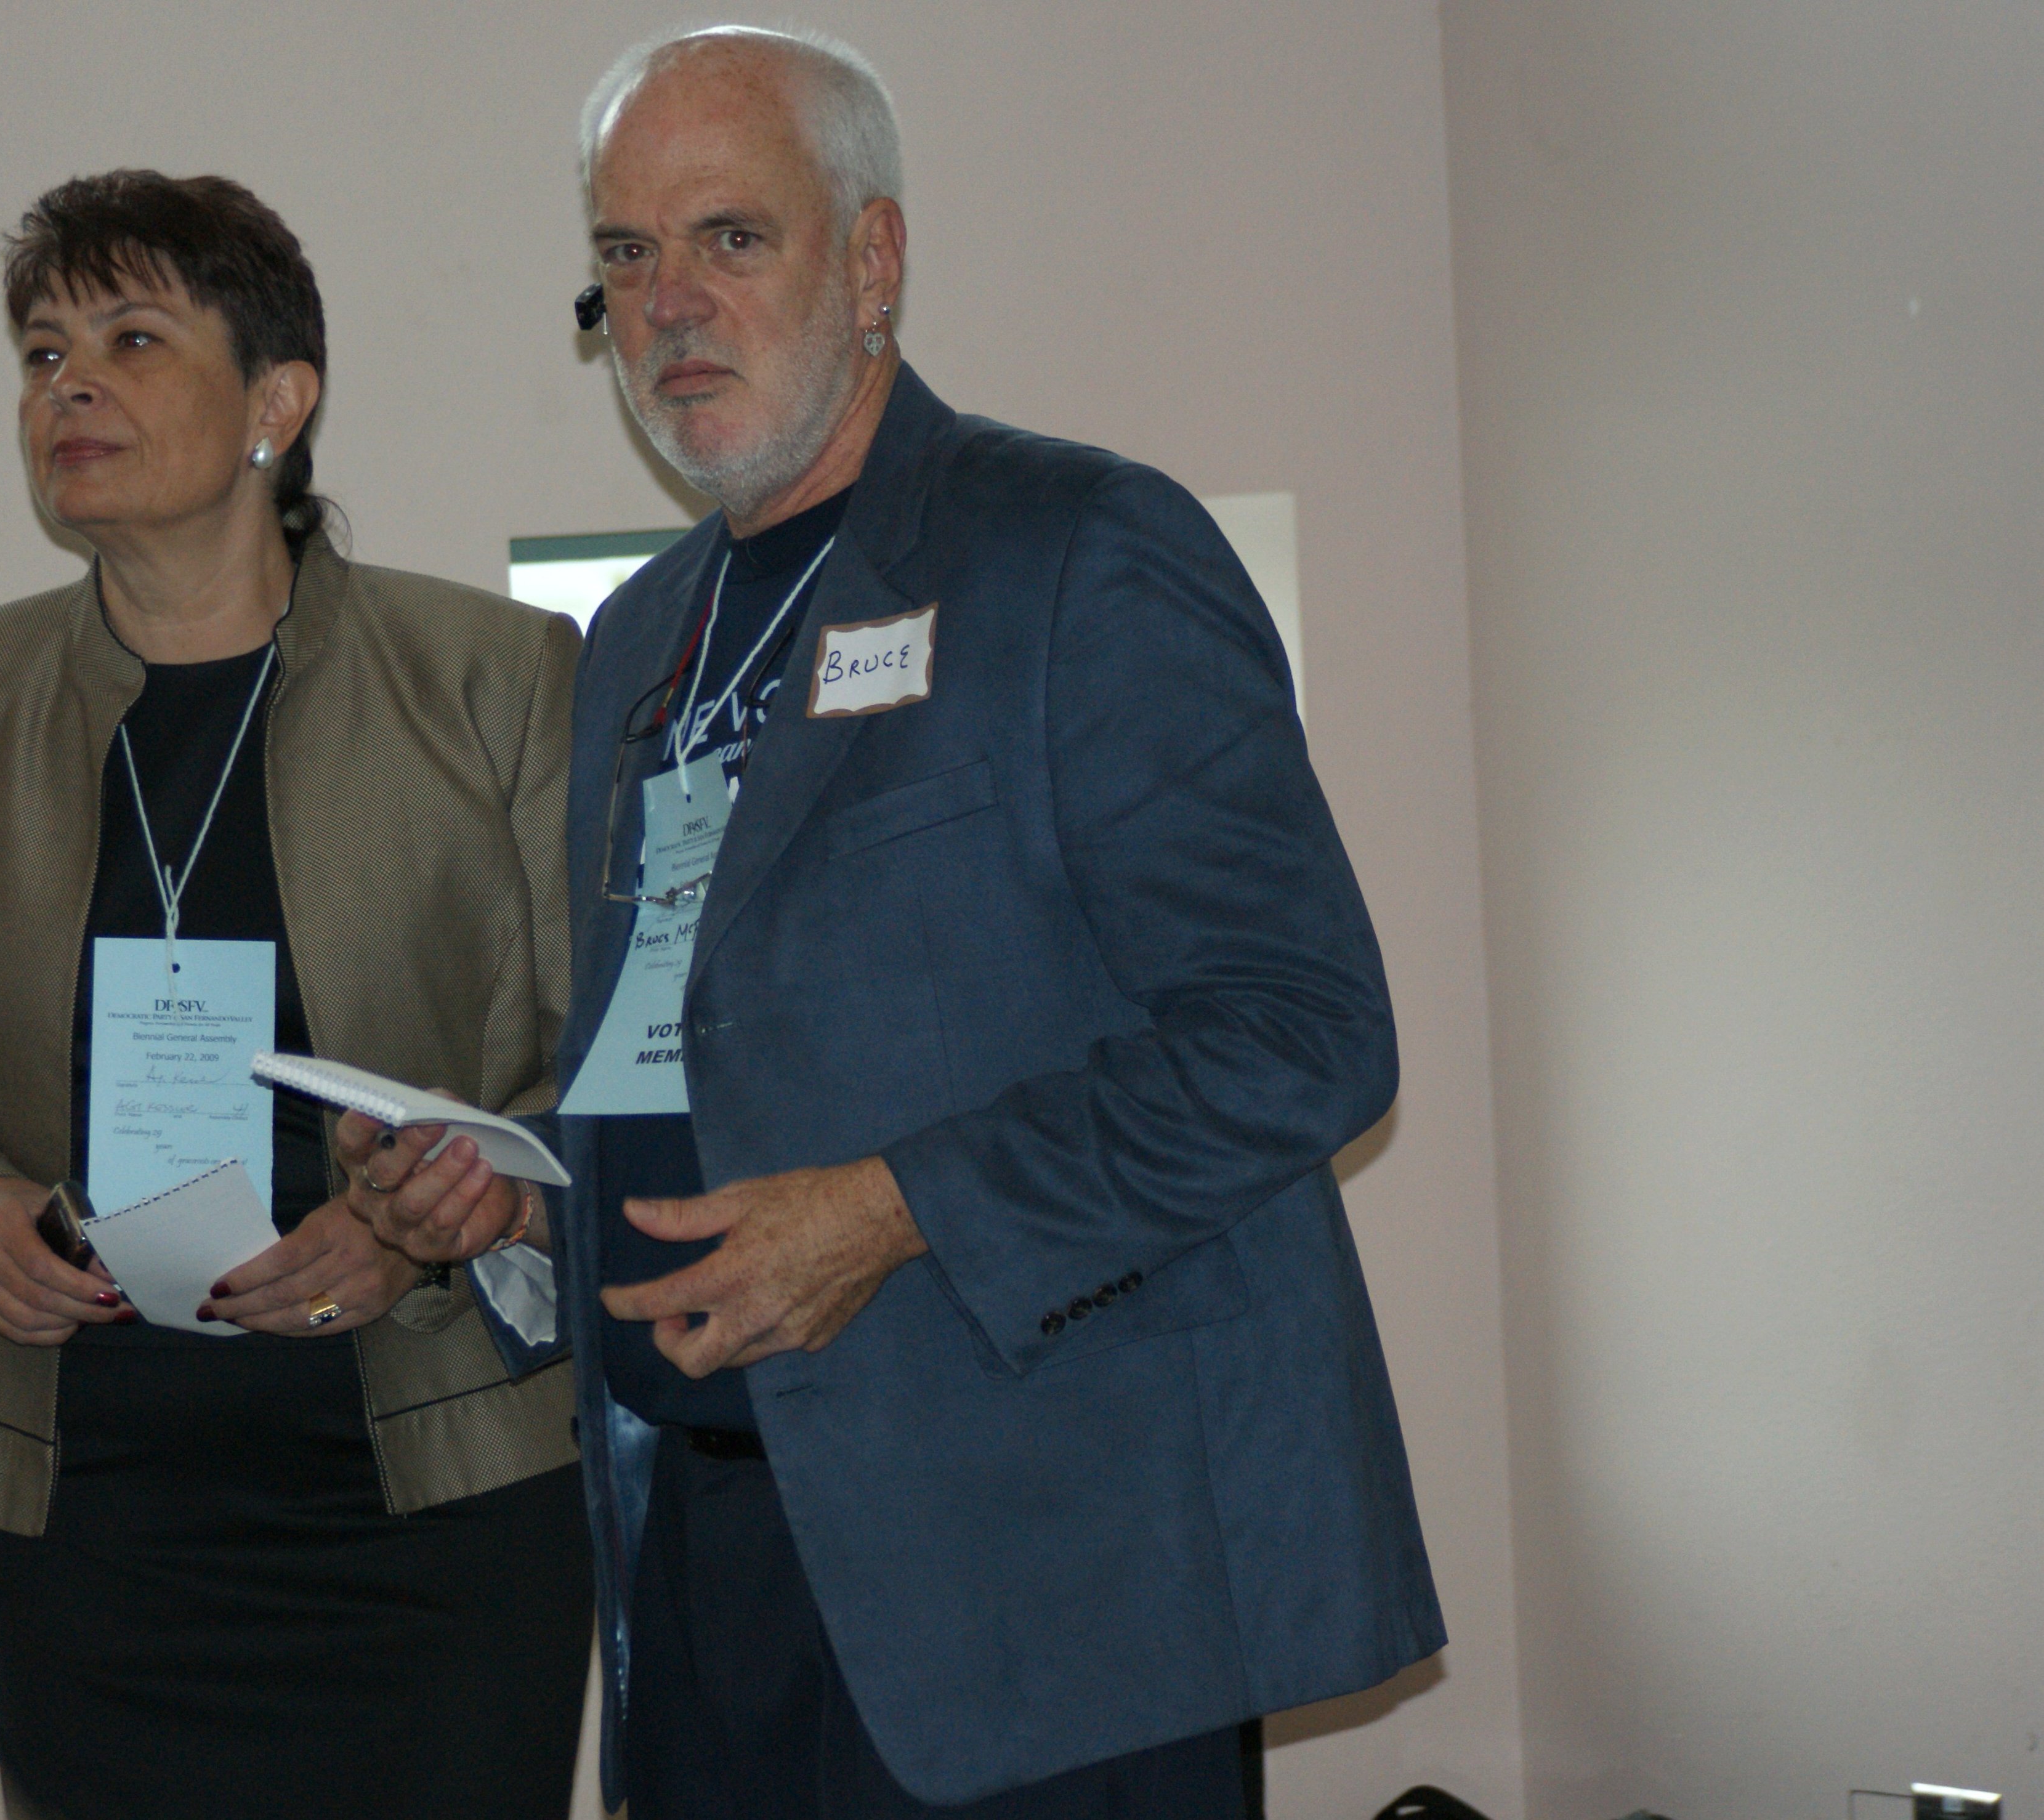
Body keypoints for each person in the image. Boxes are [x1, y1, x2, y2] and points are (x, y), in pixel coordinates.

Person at [350, 26, 1444, 1820]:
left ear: (874, 259)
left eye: (729, 238)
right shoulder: (639, 638)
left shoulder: (1076, 548)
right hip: (706, 1567)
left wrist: (891, 1210)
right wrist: (524, 1189)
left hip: (1046, 1589)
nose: (668, 306)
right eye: (625, 256)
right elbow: (693, 1048)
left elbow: (1303, 1033)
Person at [0, 170, 590, 1820]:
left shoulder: (493, 681)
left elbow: (609, 1071)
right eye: (42, 353)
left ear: (276, 403)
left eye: (131, 340)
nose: (68, 388)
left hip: (435, 1495)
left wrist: (432, 1219)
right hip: (95, 1518)